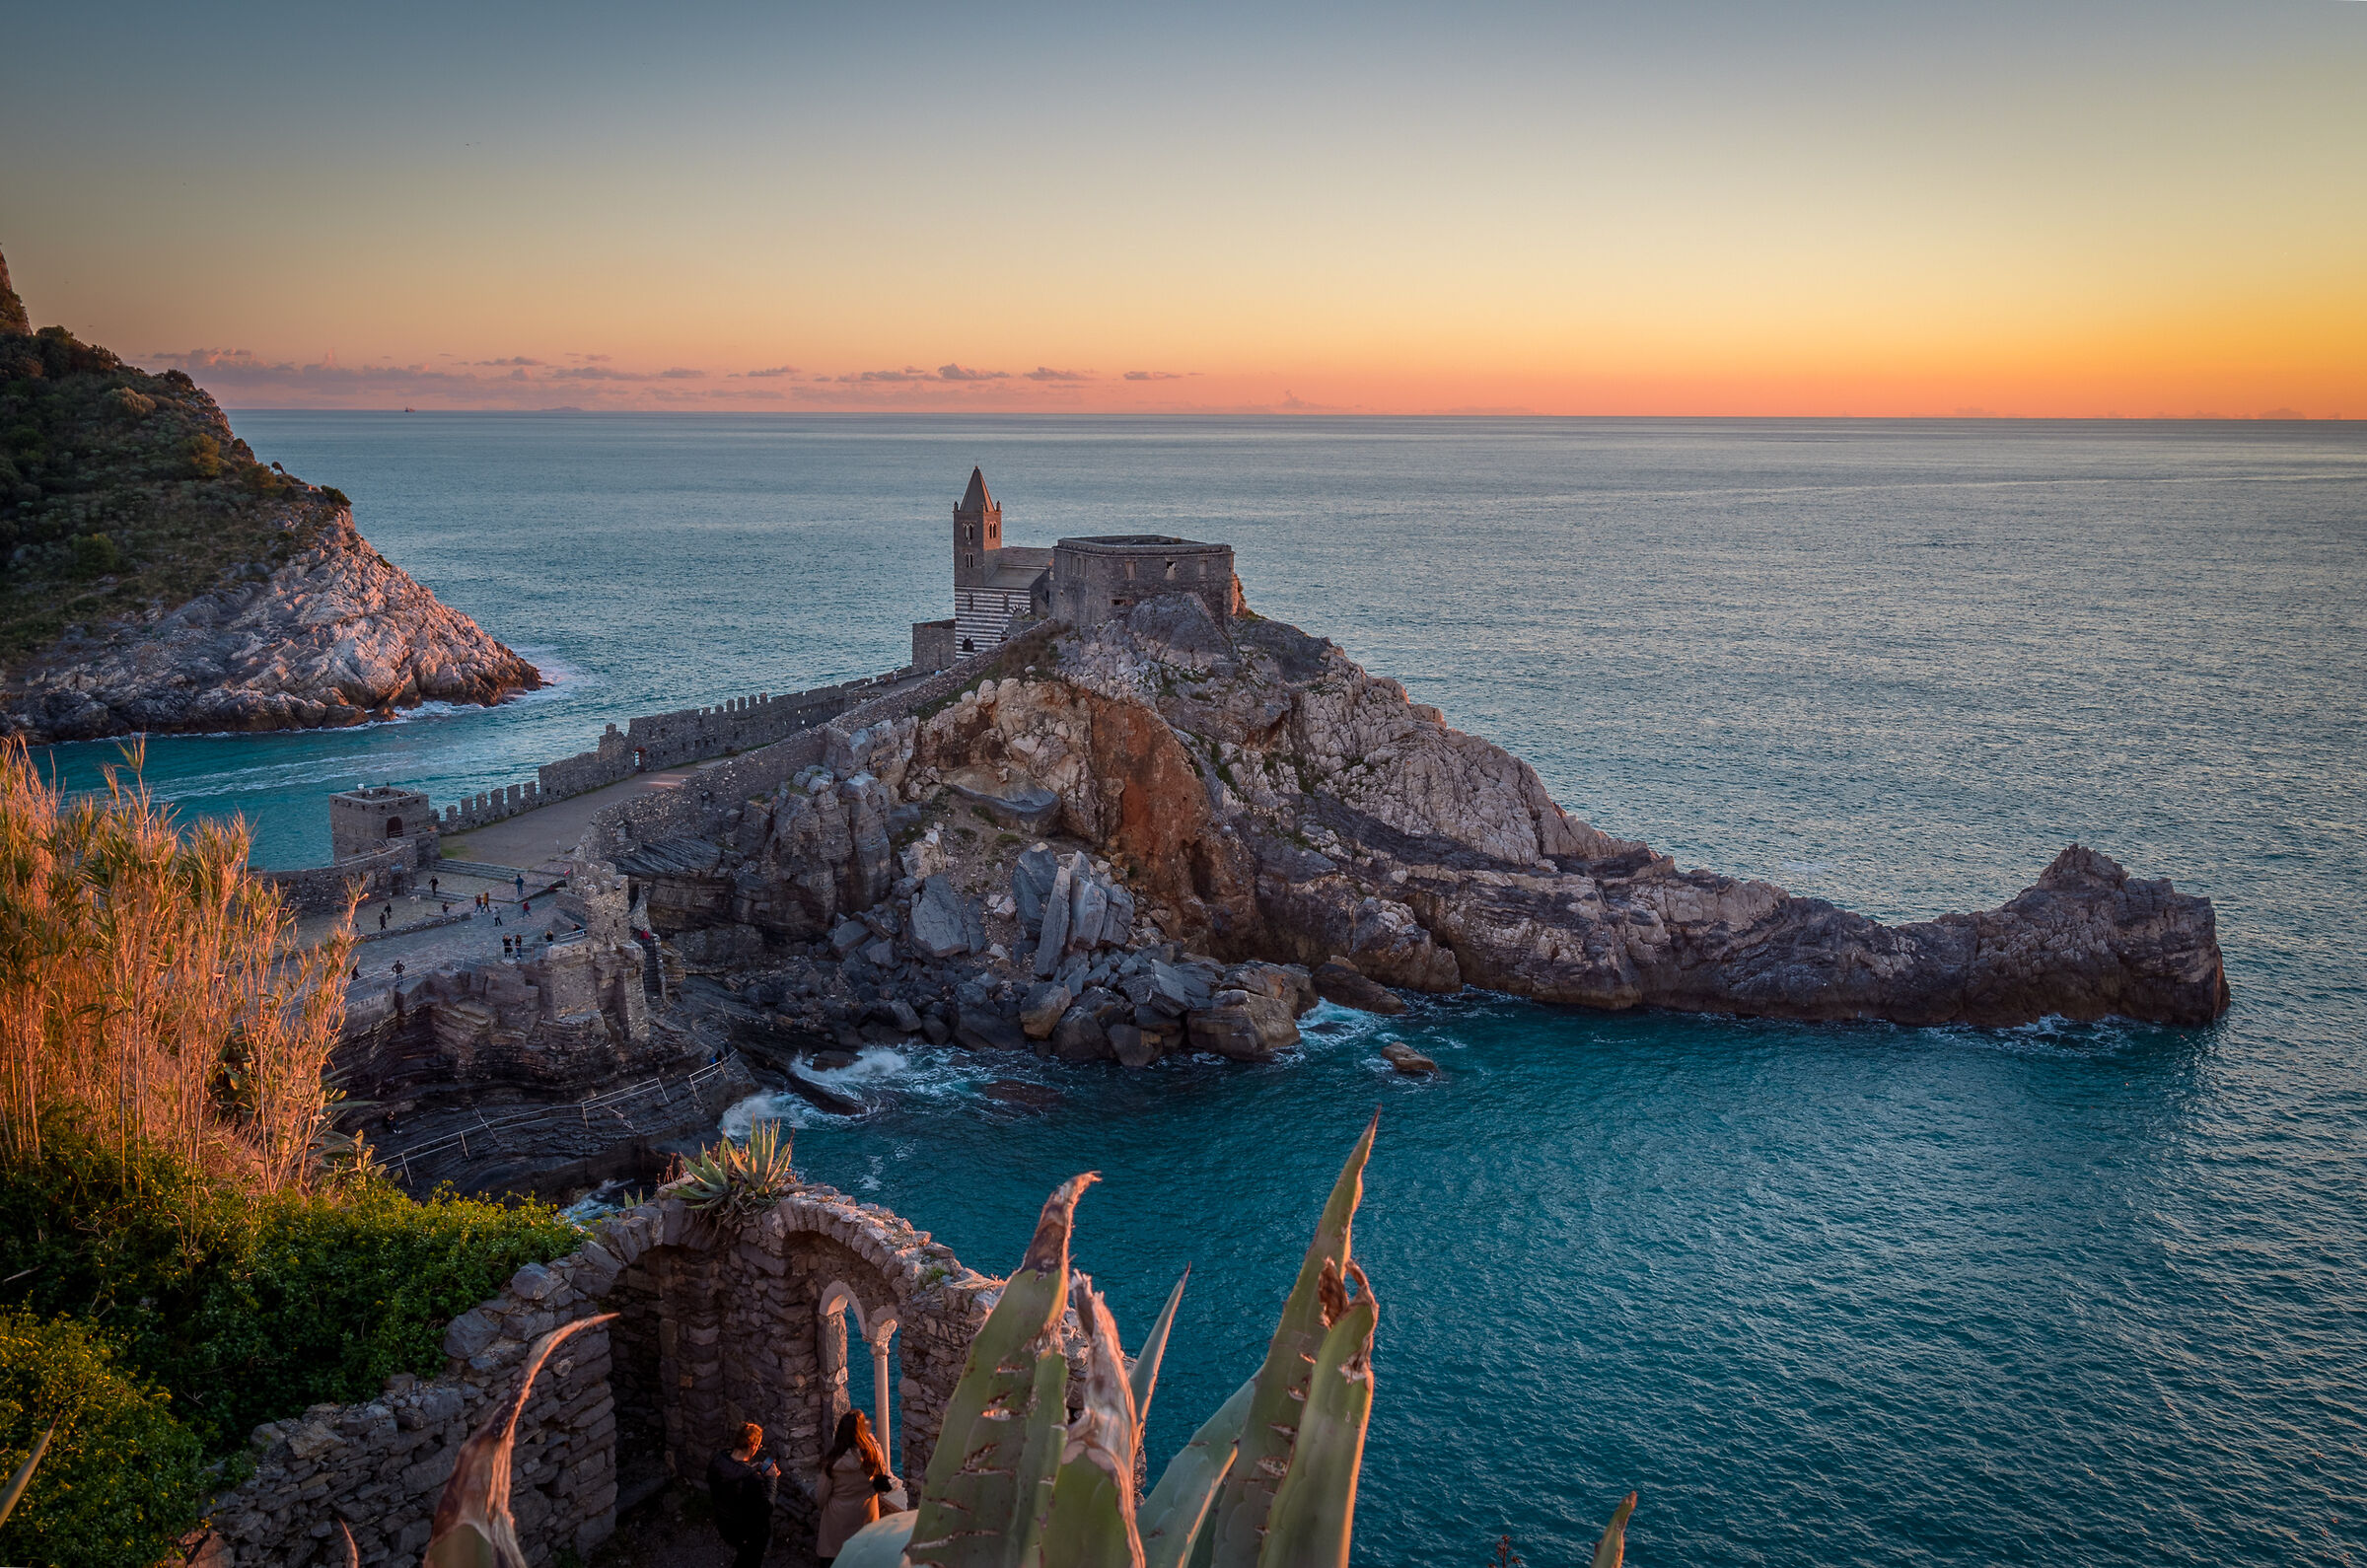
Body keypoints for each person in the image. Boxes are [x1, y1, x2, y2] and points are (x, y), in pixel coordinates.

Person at [814, 1409, 893, 1564]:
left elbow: (821, 1497)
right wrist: (872, 1440)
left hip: (838, 1518)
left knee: (837, 1558)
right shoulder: (873, 1454)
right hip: (866, 1514)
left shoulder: (832, 1463)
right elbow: (882, 1471)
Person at [705, 1422, 779, 1568]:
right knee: (749, 1561)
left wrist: (748, 1469)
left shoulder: (718, 1461)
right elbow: (767, 1507)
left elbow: (729, 1482)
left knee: (743, 1557)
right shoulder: (751, 1480)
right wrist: (772, 1479)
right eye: (759, 1446)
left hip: (725, 1524)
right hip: (748, 1533)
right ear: (753, 1446)